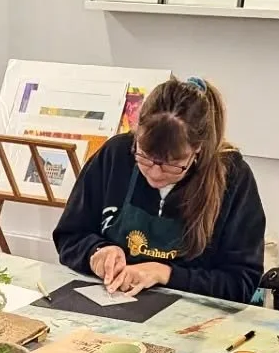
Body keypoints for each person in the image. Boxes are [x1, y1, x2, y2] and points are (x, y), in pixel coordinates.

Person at [52, 77, 266, 305]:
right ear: (136, 133)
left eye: (172, 164)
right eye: (144, 156)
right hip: (110, 305)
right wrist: (96, 252)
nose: (155, 173)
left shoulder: (232, 177)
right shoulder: (115, 156)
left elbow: (240, 283)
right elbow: (69, 236)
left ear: (198, 149)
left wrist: (165, 273)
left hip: (193, 322)